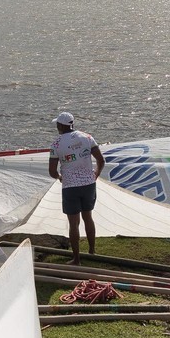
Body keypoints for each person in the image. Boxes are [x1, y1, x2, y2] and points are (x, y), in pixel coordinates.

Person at [49, 112, 105, 266]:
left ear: (61, 126)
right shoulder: (87, 137)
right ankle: (92, 251)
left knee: (74, 223)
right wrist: (96, 174)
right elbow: (101, 160)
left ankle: (76, 259)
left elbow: (52, 171)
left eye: (57, 125)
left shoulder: (56, 144)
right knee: (88, 217)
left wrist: (60, 177)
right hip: (88, 184)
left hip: (70, 186)